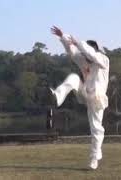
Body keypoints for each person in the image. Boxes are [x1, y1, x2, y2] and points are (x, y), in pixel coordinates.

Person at [50, 26, 109, 170]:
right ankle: (57, 96)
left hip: (97, 99)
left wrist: (79, 43)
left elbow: (91, 54)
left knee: (96, 128)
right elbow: (72, 51)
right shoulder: (83, 59)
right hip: (84, 93)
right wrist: (63, 36)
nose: (85, 59)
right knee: (74, 77)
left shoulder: (103, 60)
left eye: (88, 52)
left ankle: (94, 158)